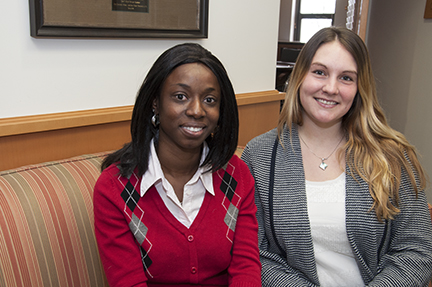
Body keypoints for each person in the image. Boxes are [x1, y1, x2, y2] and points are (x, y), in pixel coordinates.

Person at [241, 27, 432, 286]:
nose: (331, 88)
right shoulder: (260, 155)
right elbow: (254, 252)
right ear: (299, 77)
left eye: (346, 78)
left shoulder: (392, 156)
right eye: (319, 72)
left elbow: (416, 250)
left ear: (359, 88)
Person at [94, 43, 261, 287]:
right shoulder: (114, 189)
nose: (196, 110)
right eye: (180, 97)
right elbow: (128, 281)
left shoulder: (237, 175)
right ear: (155, 103)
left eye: (210, 99)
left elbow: (246, 268)